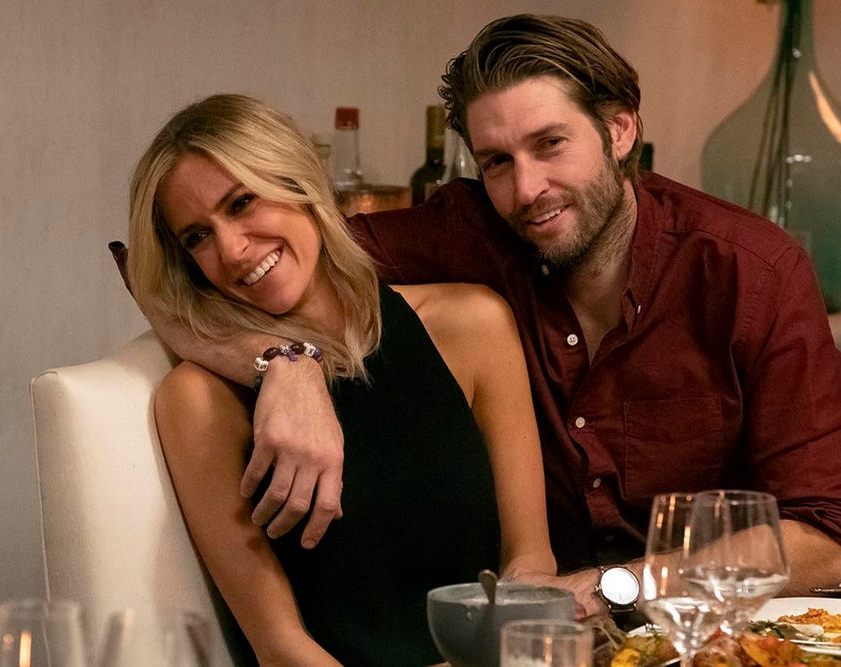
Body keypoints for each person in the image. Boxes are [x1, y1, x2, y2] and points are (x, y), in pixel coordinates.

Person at [132, 15, 841, 619]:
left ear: (620, 130)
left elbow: (831, 534)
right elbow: (194, 277)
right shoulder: (466, 235)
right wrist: (283, 362)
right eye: (497, 160)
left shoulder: (751, 272)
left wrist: (614, 586)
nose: (527, 189)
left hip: (717, 630)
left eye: (550, 144)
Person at [125, 93, 556, 665]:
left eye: (243, 202)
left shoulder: (473, 326)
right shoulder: (200, 402)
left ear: (301, 183)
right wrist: (283, 362)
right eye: (197, 237)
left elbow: (529, 560)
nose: (230, 250)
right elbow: (281, 648)